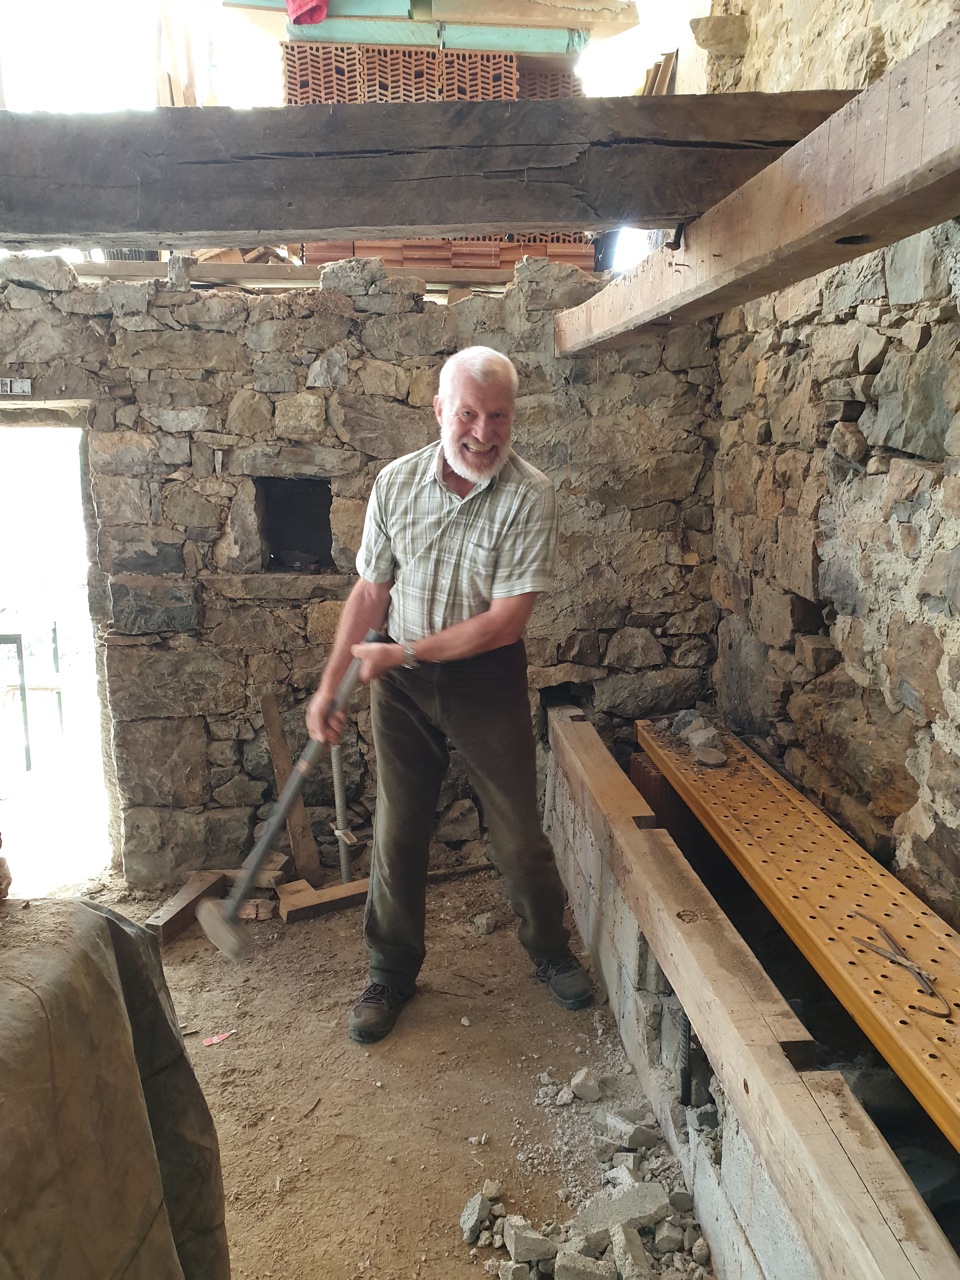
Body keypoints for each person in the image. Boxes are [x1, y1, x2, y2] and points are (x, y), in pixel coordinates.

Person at [306, 345, 591, 1043]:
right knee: (398, 831)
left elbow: (504, 622)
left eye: (499, 416)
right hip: (400, 685)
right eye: (468, 414)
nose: (484, 433)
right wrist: (331, 685)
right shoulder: (396, 483)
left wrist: (401, 652)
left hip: (484, 678)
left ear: (514, 416)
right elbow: (370, 593)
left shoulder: (530, 494)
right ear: (440, 410)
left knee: (518, 835)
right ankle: (389, 971)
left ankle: (550, 950)